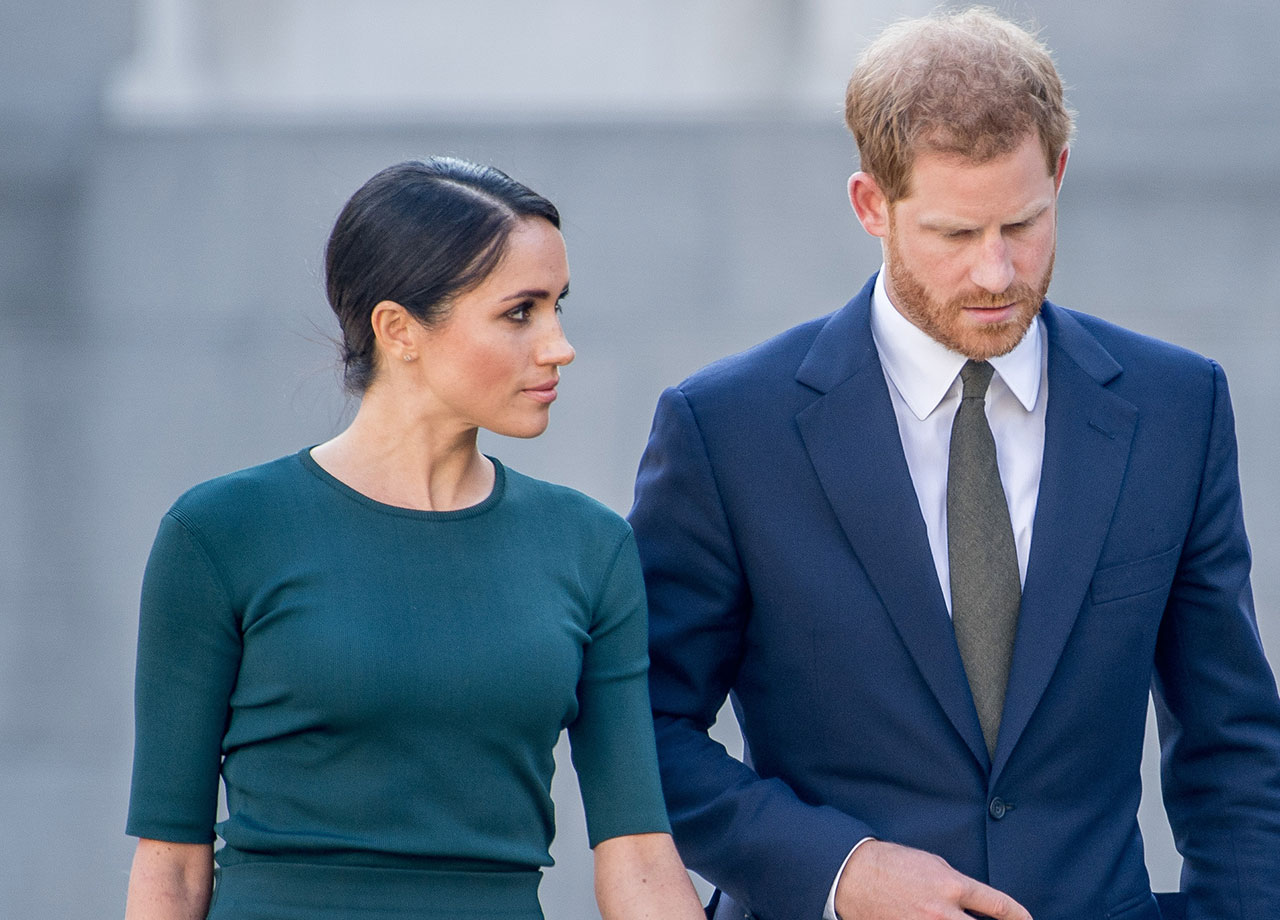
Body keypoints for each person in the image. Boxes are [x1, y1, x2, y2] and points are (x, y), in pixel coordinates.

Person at [629, 9, 1280, 920]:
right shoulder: (728, 429)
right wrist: (840, 869)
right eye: (954, 235)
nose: (996, 272)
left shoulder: (1177, 409)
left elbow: (1233, 740)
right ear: (870, 206)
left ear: (1058, 175)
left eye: (1024, 222)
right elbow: (642, 727)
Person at [124, 157, 706, 920]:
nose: (559, 345)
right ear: (399, 329)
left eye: (559, 306)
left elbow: (638, 855)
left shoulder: (589, 547)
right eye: (521, 312)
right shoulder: (220, 535)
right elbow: (171, 866)